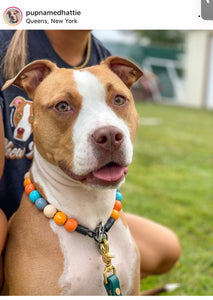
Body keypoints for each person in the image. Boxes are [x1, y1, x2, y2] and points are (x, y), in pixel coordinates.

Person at [0, 30, 181, 289]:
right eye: (63, 106)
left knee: (166, 246)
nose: (107, 130)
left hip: (93, 212)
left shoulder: (102, 57)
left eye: (118, 100)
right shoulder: (6, 46)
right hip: (20, 210)